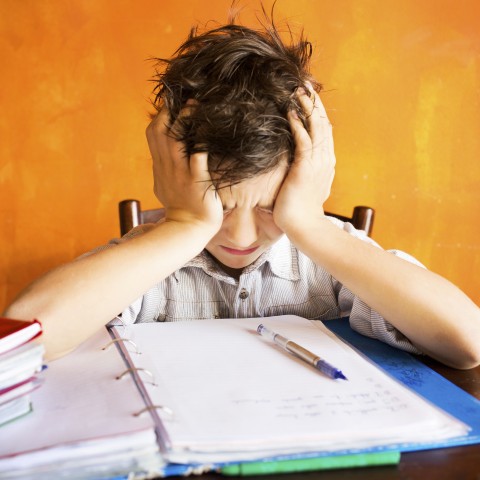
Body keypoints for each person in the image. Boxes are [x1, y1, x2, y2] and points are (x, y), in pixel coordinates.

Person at [4, 17, 480, 369]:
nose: (242, 233)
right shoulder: (151, 258)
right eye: (220, 205)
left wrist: (311, 225)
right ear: (174, 181)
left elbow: (468, 342)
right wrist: (184, 226)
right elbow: (25, 335)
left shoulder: (327, 259)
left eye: (272, 206)